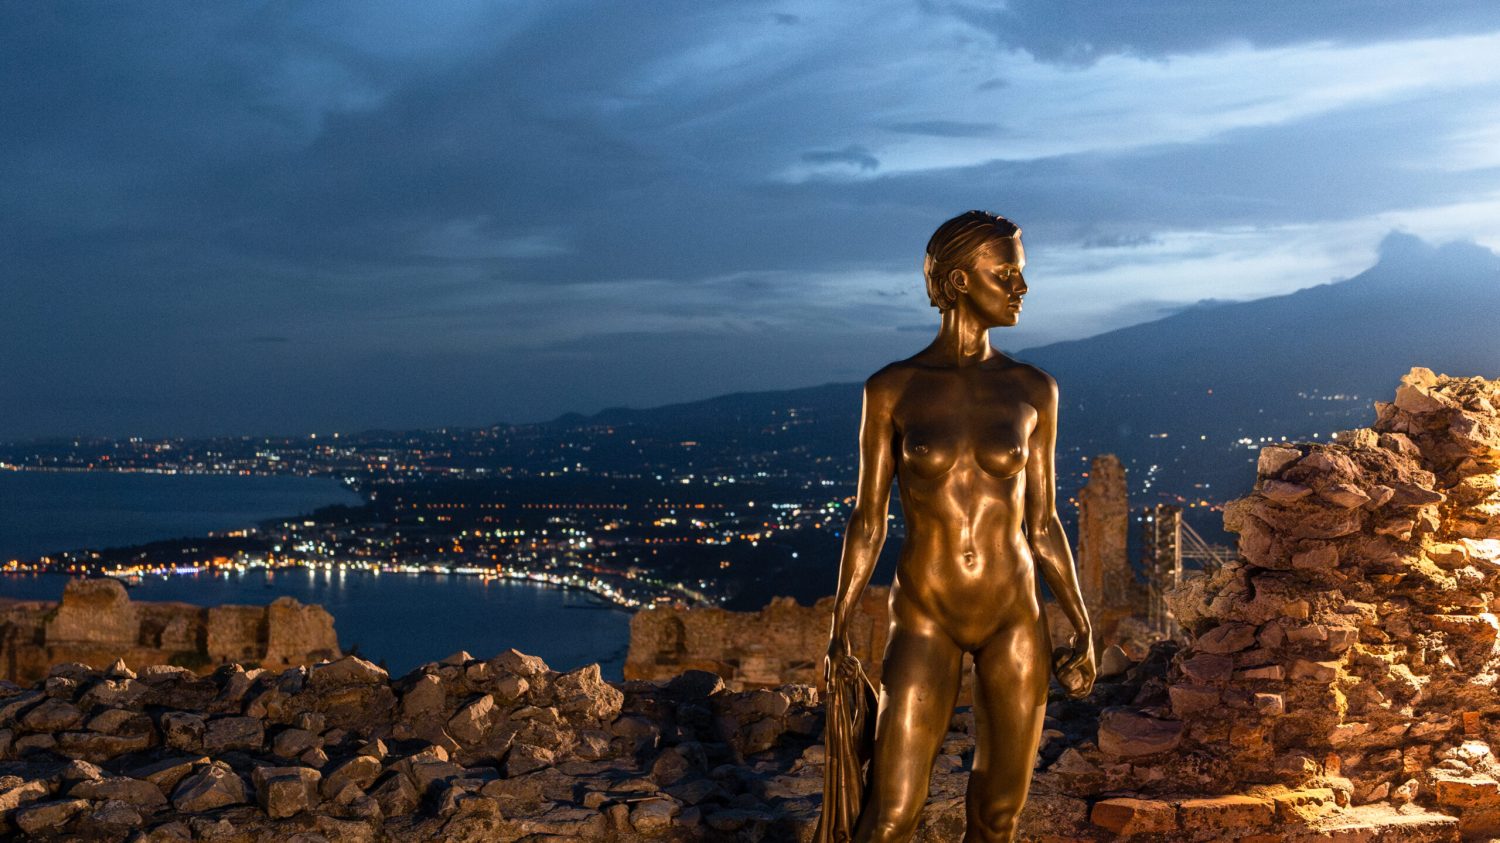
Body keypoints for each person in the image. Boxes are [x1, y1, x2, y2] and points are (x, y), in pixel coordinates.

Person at [824, 211, 1096, 843]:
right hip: (925, 613)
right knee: (891, 814)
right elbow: (867, 519)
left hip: (1015, 614)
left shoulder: (1034, 389)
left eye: (1020, 274)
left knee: (997, 819)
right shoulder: (892, 388)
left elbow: (1045, 521)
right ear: (957, 280)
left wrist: (1081, 621)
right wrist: (838, 627)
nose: (1021, 287)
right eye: (1006, 274)